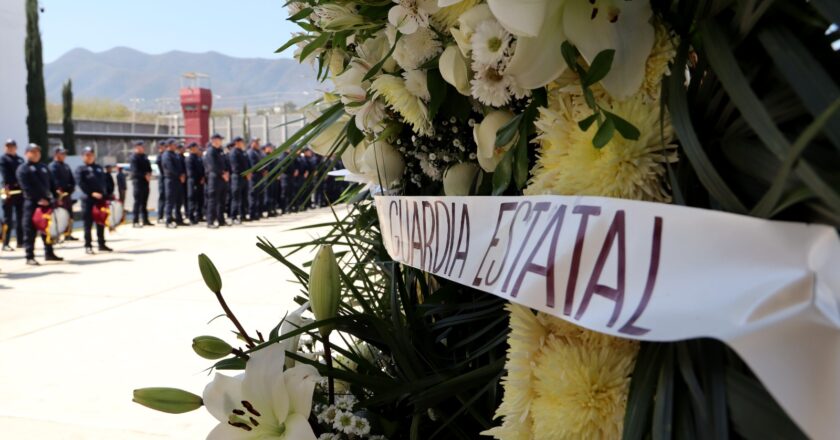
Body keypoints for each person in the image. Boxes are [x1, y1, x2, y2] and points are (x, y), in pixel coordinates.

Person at [17, 144, 63, 265]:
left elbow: (51, 183)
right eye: (33, 151)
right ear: (27, 153)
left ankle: (49, 253)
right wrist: (38, 199)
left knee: (47, 229)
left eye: (37, 151)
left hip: (47, 203)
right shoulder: (23, 168)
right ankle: (29, 256)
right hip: (32, 203)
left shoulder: (44, 167)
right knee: (29, 230)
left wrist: (55, 195)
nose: (36, 154)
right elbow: (25, 187)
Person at [75, 146, 113, 254]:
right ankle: (88, 245)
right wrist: (91, 193)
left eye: (91, 154)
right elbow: (81, 184)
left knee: (101, 222)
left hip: (100, 199)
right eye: (87, 155)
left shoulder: (98, 168)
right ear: (83, 156)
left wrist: (105, 194)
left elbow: (103, 182)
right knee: (88, 223)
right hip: (88, 199)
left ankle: (101, 243)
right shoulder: (80, 169)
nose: (89, 157)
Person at [48, 146, 78, 240]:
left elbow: (71, 179)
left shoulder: (65, 165)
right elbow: (54, 182)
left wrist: (71, 188)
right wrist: (58, 194)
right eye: (62, 153)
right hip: (59, 195)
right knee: (59, 215)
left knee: (69, 215)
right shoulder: (53, 166)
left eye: (65, 153)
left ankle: (68, 233)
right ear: (56, 154)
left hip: (67, 195)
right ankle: (57, 234)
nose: (64, 155)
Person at [1, 139, 25, 251]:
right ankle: (5, 243)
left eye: (12, 146)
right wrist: (16, 183)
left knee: (20, 218)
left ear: (16, 147)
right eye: (8, 146)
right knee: (8, 219)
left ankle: (20, 242)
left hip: (20, 192)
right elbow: (6, 176)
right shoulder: (4, 159)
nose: (10, 148)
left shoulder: (20, 159)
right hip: (9, 191)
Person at [203, 134, 227, 229]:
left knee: (222, 199)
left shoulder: (220, 151)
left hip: (222, 177)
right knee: (213, 200)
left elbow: (225, 163)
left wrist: (226, 172)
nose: (220, 141)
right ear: (214, 140)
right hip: (214, 177)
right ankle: (210, 221)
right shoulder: (210, 151)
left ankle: (221, 220)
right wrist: (222, 173)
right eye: (219, 139)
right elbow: (212, 166)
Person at [161, 139, 186, 228]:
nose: (176, 146)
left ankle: (179, 219)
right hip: (171, 180)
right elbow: (170, 167)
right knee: (170, 201)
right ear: (169, 145)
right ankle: (168, 220)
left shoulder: (175, 154)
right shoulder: (166, 155)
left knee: (179, 200)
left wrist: (182, 174)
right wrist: (179, 175)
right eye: (174, 144)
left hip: (178, 180)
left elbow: (180, 166)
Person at [128, 140, 154, 227]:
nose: (143, 148)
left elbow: (149, 168)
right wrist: (144, 175)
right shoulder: (134, 158)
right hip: (138, 182)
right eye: (141, 146)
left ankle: (145, 220)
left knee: (144, 202)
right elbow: (134, 171)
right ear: (136, 147)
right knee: (137, 202)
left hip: (145, 182)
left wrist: (149, 174)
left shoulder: (144, 157)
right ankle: (135, 221)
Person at [229, 136, 249, 224]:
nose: (243, 143)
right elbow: (235, 167)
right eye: (241, 142)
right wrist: (246, 173)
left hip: (244, 177)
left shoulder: (242, 152)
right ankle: (233, 217)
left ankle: (242, 215)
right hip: (237, 177)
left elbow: (247, 164)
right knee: (236, 198)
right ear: (236, 142)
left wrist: (249, 172)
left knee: (244, 198)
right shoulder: (234, 152)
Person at [185, 142, 205, 225]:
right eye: (196, 147)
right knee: (192, 199)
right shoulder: (190, 158)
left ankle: (199, 216)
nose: (198, 149)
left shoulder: (198, 158)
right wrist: (198, 179)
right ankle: (191, 217)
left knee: (200, 199)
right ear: (192, 148)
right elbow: (191, 172)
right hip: (193, 181)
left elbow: (201, 169)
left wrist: (203, 177)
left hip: (199, 181)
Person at [246, 138, 264, 221]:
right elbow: (253, 166)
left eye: (258, 142)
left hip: (259, 176)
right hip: (254, 176)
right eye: (256, 142)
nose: (257, 144)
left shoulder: (258, 152)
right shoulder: (250, 152)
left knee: (257, 196)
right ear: (252, 143)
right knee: (253, 196)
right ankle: (252, 214)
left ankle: (257, 213)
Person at [155, 141, 166, 223]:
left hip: (166, 178)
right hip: (162, 178)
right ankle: (160, 216)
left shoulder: (165, 155)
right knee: (162, 197)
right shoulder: (160, 156)